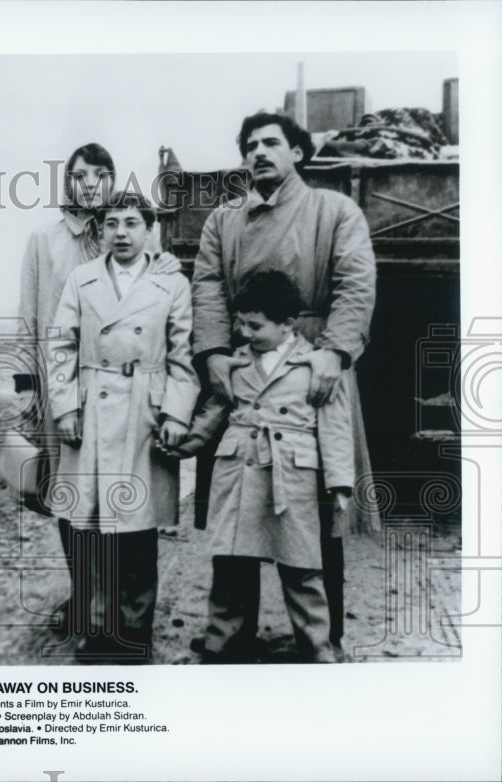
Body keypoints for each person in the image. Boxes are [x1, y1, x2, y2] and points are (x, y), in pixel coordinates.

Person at [190, 111, 377, 659]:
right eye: (250, 145)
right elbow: (205, 288)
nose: (259, 152)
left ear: (298, 152)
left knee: (319, 511)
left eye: (272, 142)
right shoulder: (223, 221)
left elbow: (356, 283)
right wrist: (213, 355)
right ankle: (233, 634)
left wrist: (335, 353)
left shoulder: (335, 210)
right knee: (236, 510)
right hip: (240, 374)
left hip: (313, 369)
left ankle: (323, 637)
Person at [46, 191, 199, 663]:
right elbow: (61, 346)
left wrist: (176, 413)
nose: (122, 233)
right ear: (101, 230)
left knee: (136, 528)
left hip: (143, 415)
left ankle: (134, 632)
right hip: (91, 411)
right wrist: (65, 405)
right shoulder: (81, 279)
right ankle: (97, 629)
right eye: (111, 223)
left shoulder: (170, 283)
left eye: (132, 223)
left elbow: (182, 356)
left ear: (149, 228)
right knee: (91, 526)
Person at [16, 143, 158, 637]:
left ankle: (123, 611)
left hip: (121, 390)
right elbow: (30, 317)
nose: (90, 185)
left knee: (122, 497)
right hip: (64, 390)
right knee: (71, 500)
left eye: (101, 175)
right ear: (67, 182)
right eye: (80, 175)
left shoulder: (131, 235)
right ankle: (85, 598)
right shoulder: (44, 240)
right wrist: (31, 392)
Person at [176, 271, 354, 663]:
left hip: (292, 476)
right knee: (230, 563)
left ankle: (317, 647)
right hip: (238, 469)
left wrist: (340, 483)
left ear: (288, 324)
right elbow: (213, 411)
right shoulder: (236, 362)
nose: (244, 331)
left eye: (254, 325)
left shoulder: (318, 366)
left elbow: (336, 426)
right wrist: (184, 445)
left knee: (302, 568)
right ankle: (221, 643)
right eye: (240, 322)